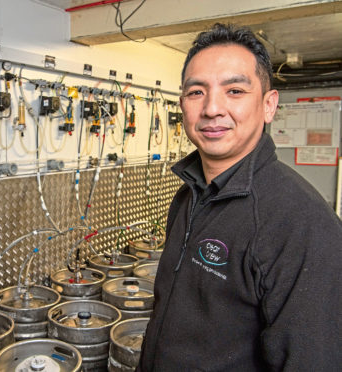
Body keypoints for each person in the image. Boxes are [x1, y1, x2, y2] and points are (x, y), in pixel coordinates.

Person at [137, 23, 342, 371]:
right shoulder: (188, 196)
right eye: (196, 92)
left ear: (268, 105)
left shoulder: (303, 224)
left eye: (234, 90)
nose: (212, 108)